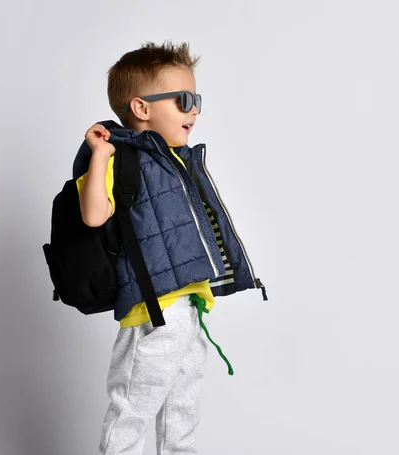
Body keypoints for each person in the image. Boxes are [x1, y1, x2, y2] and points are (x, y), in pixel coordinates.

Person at [73, 40, 266, 455]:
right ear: (142, 108)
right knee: (133, 408)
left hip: (190, 305)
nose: (194, 109)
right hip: (153, 311)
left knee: (182, 410)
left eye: (197, 100)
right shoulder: (117, 157)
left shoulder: (175, 158)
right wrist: (100, 154)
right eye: (183, 100)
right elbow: (93, 215)